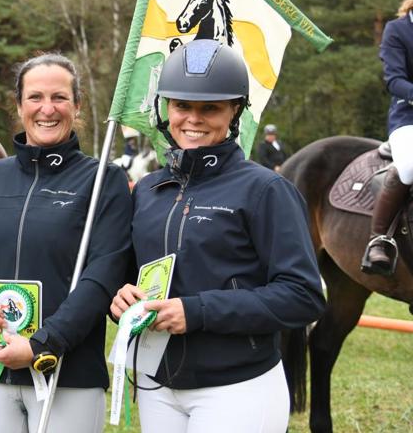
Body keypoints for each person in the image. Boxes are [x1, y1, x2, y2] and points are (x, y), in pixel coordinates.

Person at [110, 40, 325, 433]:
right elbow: (129, 276)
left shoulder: (265, 190)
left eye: (210, 108)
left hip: (237, 387)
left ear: (235, 111)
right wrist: (120, 298)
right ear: (166, 109)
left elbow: (303, 295)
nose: (193, 119)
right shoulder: (147, 189)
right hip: (158, 383)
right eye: (182, 106)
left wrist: (197, 312)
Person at [0, 53, 133, 432]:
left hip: (67, 372)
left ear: (77, 106)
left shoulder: (103, 182)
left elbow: (101, 278)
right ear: (19, 105)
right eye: (35, 97)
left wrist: (41, 345)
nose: (48, 109)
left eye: (60, 97)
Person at [364, 0, 413, 275]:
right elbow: (394, 80)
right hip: (408, 117)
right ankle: (378, 238)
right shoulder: (398, 30)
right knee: (409, 166)